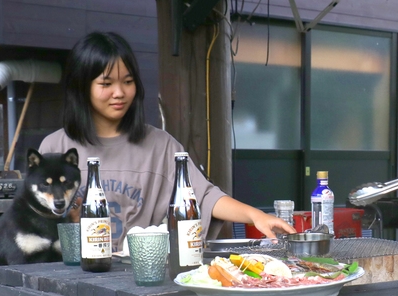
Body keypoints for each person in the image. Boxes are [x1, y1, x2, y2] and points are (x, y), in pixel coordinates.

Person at [39, 32, 295, 252]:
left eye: (128, 82)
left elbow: (202, 195)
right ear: (82, 87)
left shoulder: (160, 145)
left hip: (138, 273)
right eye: (106, 83)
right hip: (71, 277)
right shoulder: (54, 148)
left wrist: (255, 216)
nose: (120, 93)